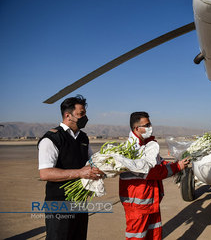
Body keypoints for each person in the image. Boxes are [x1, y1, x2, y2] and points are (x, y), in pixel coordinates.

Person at [38, 95, 104, 240]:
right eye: (81, 114)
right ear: (68, 115)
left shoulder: (83, 138)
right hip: (59, 203)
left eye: (85, 114)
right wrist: (80, 173)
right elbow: (45, 173)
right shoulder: (52, 139)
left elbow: (90, 162)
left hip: (80, 202)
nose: (85, 118)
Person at [119, 111, 190, 240]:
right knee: (137, 236)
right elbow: (152, 171)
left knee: (154, 234)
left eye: (150, 124)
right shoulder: (133, 149)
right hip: (138, 205)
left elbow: (158, 162)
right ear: (137, 128)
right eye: (146, 125)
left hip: (150, 201)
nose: (150, 127)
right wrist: (177, 167)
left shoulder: (146, 145)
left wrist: (173, 163)